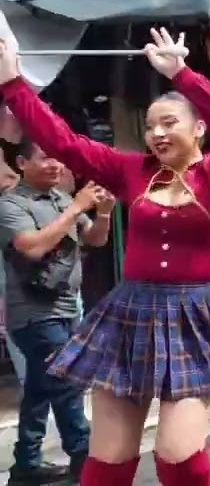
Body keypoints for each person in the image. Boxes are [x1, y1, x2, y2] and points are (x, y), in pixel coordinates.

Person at [0, 28, 210, 485]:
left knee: (179, 458)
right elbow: (64, 143)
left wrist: (183, 74)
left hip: (191, 318)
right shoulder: (131, 170)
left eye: (169, 122)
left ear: (198, 128)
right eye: (151, 125)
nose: (156, 133)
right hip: (129, 314)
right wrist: (13, 83)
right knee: (108, 463)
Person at [0, 140, 113, 484]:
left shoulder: (60, 200)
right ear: (21, 163)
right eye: (45, 158)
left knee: (40, 388)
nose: (55, 165)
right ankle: (84, 458)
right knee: (67, 382)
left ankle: (26, 465)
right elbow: (31, 248)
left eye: (58, 159)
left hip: (67, 307)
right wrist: (76, 208)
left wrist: (104, 213)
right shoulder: (10, 204)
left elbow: (94, 239)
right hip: (34, 314)